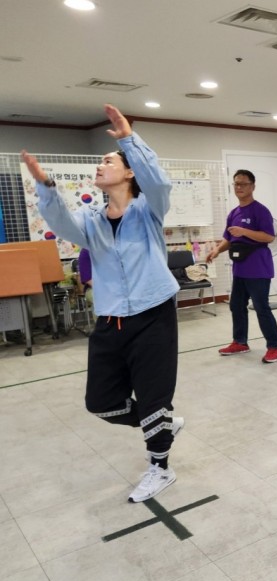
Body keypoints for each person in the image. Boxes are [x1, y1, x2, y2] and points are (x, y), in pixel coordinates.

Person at [21, 104, 183, 503]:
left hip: (154, 315)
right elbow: (61, 223)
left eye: (108, 161)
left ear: (129, 173)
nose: (100, 165)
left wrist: (128, 139)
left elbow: (158, 182)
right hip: (110, 320)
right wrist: (46, 186)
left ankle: (160, 467)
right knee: (101, 402)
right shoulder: (91, 219)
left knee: (154, 396)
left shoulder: (149, 210)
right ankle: (161, 424)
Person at [207, 169, 277, 364]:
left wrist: (244, 231)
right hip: (240, 269)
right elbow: (229, 238)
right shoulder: (234, 213)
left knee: (261, 307)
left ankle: (275, 346)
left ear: (252, 186)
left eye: (243, 184)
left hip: (258, 268)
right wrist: (217, 250)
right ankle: (240, 342)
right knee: (236, 306)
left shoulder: (261, 211)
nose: (239, 187)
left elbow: (269, 236)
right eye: (236, 184)